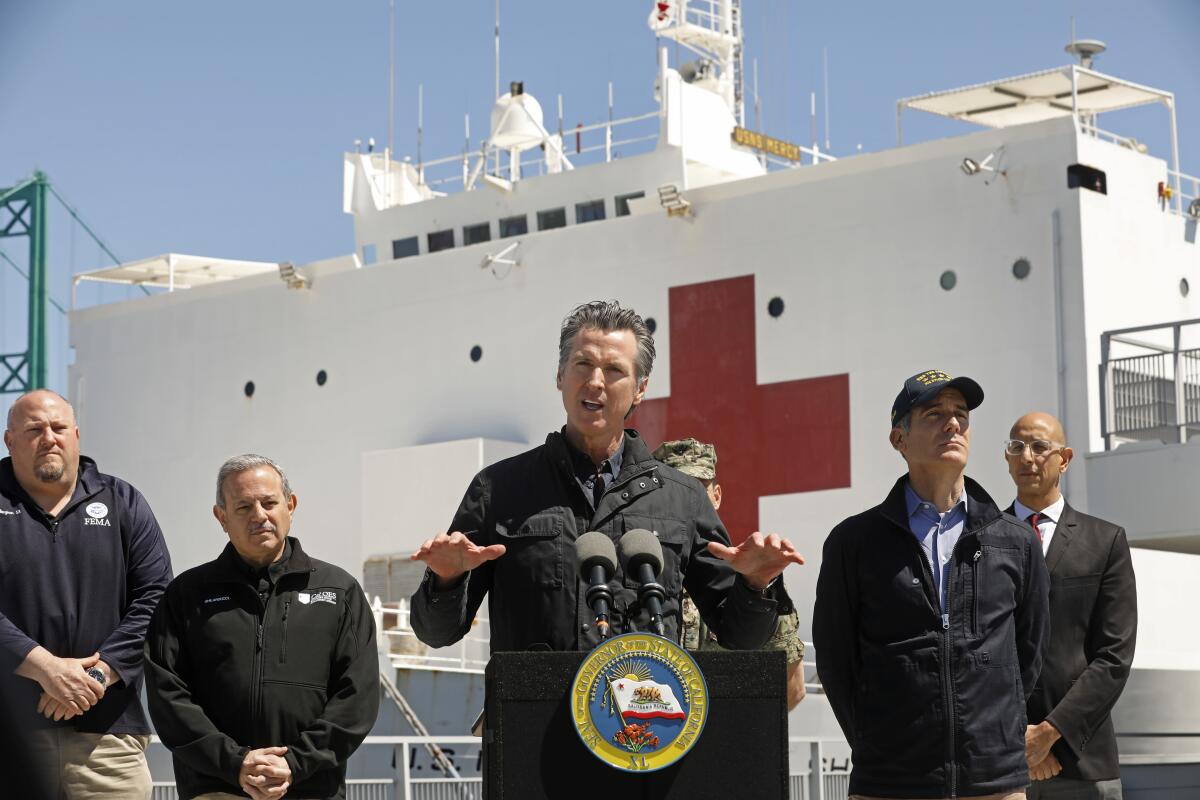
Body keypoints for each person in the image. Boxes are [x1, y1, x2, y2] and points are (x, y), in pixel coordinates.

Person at [410, 300, 803, 652]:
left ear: (639, 389)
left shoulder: (684, 499)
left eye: (614, 369)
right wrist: (445, 580)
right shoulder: (498, 489)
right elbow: (437, 633)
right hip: (534, 726)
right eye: (583, 364)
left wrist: (756, 584)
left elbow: (740, 636)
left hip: (647, 725)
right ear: (560, 375)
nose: (595, 380)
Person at [813, 370, 1050, 800]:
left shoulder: (1015, 541)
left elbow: (1028, 655)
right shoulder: (854, 542)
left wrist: (997, 733)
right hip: (890, 781)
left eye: (961, 414)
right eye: (934, 414)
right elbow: (835, 658)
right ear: (898, 439)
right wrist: (875, 743)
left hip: (993, 783)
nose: (953, 424)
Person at [144, 454, 380, 800]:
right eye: (243, 507)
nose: (259, 516)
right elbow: (168, 694)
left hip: (311, 788)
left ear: (291, 504)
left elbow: (357, 696)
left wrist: (296, 763)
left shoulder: (338, 591)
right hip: (216, 788)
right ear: (221, 517)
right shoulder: (187, 595)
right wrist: (235, 763)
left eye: (269, 502)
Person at [0, 389, 173, 798]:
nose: (49, 438)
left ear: (76, 435)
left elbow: (156, 597)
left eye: (59, 428)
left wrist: (96, 676)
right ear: (9, 440)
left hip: (108, 740)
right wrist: (44, 667)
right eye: (34, 429)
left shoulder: (123, 501)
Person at [1004, 412, 1136, 800]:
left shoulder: (1105, 541)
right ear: (1007, 457)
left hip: (1083, 762)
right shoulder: (981, 541)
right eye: (1017, 446)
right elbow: (975, 652)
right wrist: (1021, 738)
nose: (1028, 457)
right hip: (1001, 761)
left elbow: (1113, 657)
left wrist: (1049, 734)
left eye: (1040, 447)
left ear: (1064, 458)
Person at [654, 437, 807, 710]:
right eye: (676, 493)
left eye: (699, 491)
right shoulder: (642, 582)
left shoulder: (753, 584)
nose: (689, 503)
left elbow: (791, 690)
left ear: (717, 496)